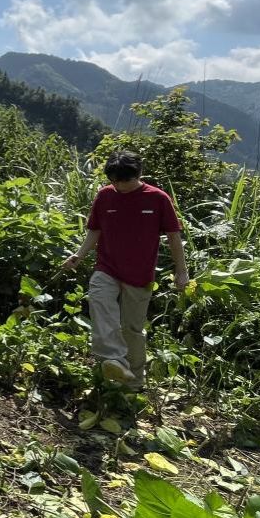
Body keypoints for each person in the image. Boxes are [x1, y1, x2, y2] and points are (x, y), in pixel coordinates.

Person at [62, 151, 189, 389]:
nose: (119, 186)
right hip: (107, 267)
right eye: (114, 180)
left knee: (132, 330)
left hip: (140, 274)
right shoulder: (105, 195)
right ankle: (114, 361)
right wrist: (79, 254)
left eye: (124, 181)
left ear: (138, 175)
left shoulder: (158, 199)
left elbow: (174, 237)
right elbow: (95, 230)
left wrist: (181, 271)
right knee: (99, 300)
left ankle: (134, 383)